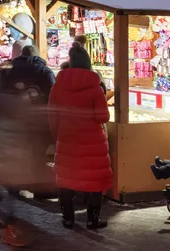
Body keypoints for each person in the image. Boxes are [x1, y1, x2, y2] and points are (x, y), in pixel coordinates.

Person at [0, 42, 56, 232]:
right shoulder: (43, 72)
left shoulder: (6, 71)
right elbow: (53, 96)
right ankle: (7, 217)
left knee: (9, 172)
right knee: (17, 173)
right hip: (27, 130)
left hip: (6, 129)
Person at [48, 45, 112, 230]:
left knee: (66, 180)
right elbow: (103, 117)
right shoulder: (95, 89)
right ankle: (92, 221)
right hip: (92, 144)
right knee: (94, 182)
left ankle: (68, 219)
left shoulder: (57, 87)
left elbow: (52, 117)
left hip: (67, 141)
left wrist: (57, 137)